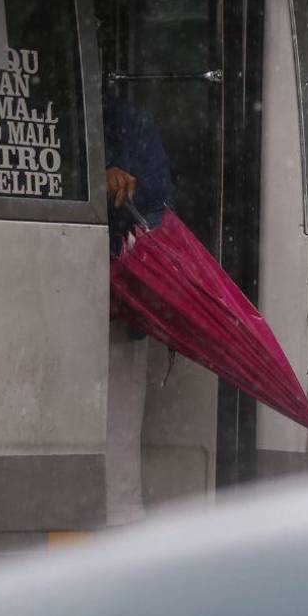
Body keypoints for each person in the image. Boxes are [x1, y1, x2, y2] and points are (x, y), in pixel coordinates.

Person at [104, 91, 173, 524]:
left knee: (118, 437)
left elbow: (159, 212)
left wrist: (124, 191)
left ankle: (119, 532)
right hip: (48, 294)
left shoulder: (128, 121)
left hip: (120, 310)